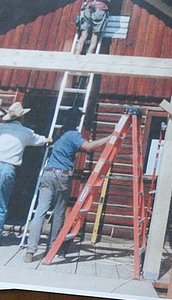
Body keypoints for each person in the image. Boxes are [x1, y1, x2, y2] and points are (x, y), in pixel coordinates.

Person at [24, 109, 110, 263]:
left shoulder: (59, 133)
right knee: (58, 213)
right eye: (78, 119)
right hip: (62, 176)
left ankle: (30, 251)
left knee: (40, 212)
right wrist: (109, 138)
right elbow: (88, 147)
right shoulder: (73, 134)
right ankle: (52, 248)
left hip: (48, 174)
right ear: (76, 120)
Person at [0, 102, 49, 250]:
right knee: (2, 205)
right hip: (8, 167)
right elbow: (40, 141)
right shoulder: (27, 132)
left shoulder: (1, 128)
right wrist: (49, 139)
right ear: (22, 118)